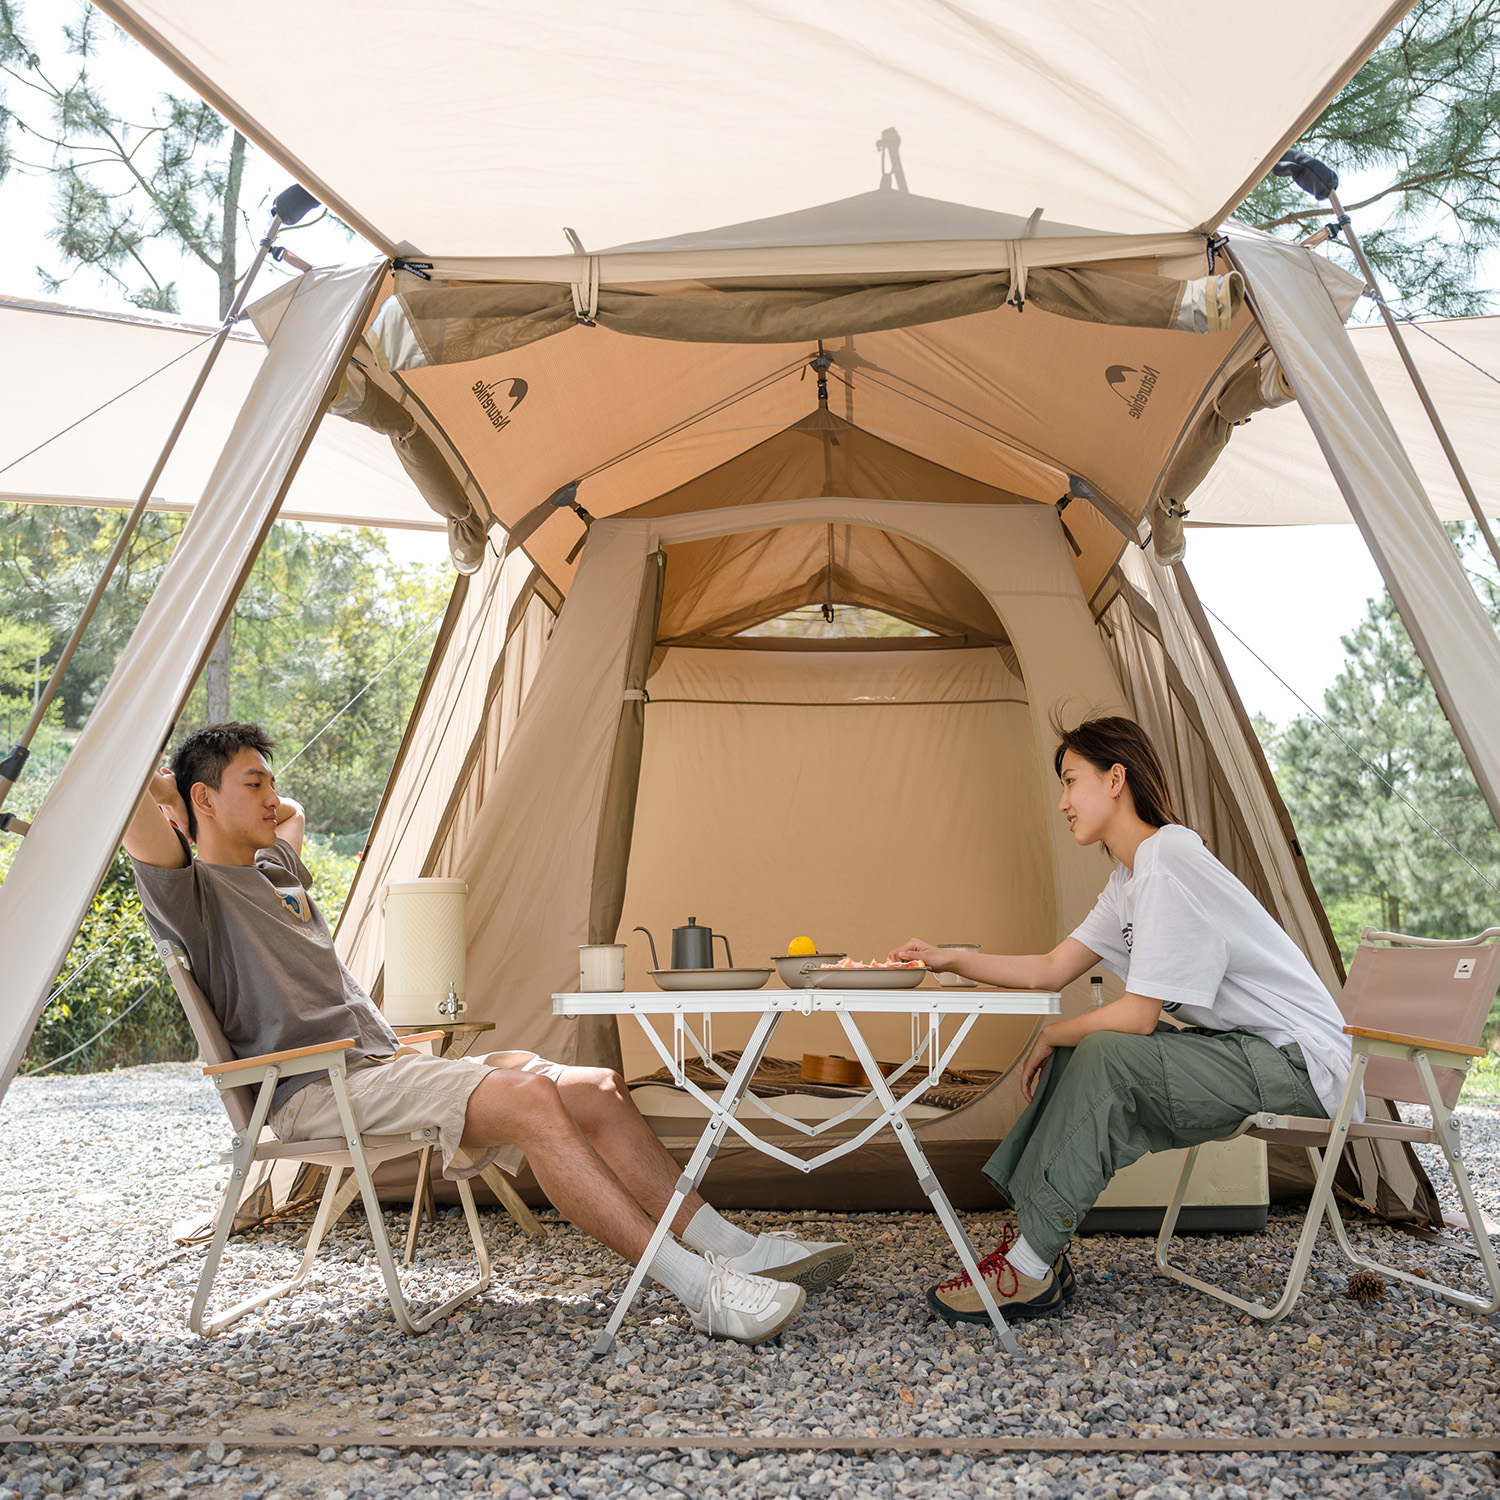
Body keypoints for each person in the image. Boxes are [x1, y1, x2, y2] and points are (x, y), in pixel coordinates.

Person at [125, 722, 853, 1345]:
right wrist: (169, 792)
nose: (269, 796)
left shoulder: (277, 868)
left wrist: (233, 793)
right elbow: (122, 803)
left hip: (379, 1067)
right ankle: (700, 1288)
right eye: (251, 784)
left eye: (267, 782)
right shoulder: (189, 894)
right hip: (316, 1086)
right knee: (532, 1101)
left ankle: (735, 1250)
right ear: (201, 799)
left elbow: (296, 811)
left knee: (598, 1087)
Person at [891, 716, 1356, 1323]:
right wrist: (948, 958)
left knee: (1106, 1051)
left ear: (1116, 779)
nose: (1061, 802)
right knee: (1080, 1049)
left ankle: (1027, 1269)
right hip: (1245, 1051)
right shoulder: (1130, 879)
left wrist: (1053, 1031)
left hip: (1301, 1065)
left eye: (1070, 780)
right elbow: (1053, 967)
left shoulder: (1168, 859)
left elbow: (1137, 1018)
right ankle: (1036, 1249)